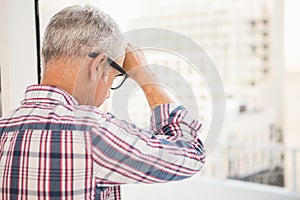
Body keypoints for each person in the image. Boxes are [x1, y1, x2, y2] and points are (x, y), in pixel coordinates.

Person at [0, 5, 205, 200]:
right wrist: (144, 74)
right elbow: (190, 154)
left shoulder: (4, 128)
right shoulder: (91, 132)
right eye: (115, 78)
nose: (107, 95)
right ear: (97, 65)